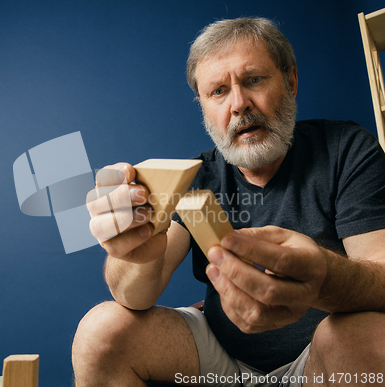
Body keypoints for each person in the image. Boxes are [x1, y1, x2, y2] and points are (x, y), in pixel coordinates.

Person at [72, 17, 385, 387]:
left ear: (291, 81)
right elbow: (133, 295)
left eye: (253, 79)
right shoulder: (196, 175)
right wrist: (138, 253)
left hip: (319, 359)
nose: (239, 104)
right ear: (204, 108)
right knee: (101, 332)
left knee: (371, 337)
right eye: (218, 91)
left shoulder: (346, 149)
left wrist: (322, 276)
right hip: (219, 363)